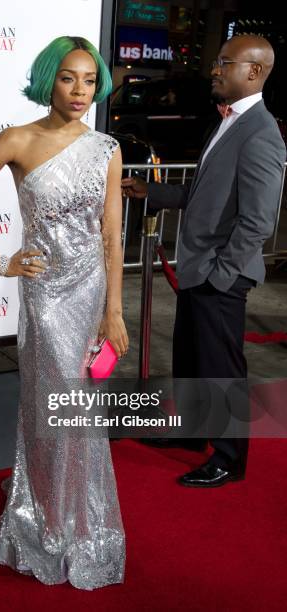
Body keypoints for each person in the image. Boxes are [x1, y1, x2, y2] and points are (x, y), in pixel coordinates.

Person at [0, 36, 128, 589]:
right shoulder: (18, 140)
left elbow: (111, 234)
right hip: (45, 296)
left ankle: (82, 522)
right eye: (69, 77)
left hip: (91, 289)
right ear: (49, 78)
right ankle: (45, 515)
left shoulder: (106, 147)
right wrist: (1, 261)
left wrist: (114, 309)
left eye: (90, 80)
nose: (80, 91)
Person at [122, 35, 286, 488]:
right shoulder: (227, 123)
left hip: (221, 276)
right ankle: (194, 436)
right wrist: (153, 192)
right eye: (215, 62)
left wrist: (221, 275)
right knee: (193, 361)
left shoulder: (261, 133)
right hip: (201, 269)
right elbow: (206, 197)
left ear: (253, 71)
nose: (214, 70)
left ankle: (229, 459)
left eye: (223, 63)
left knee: (220, 369)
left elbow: (257, 221)